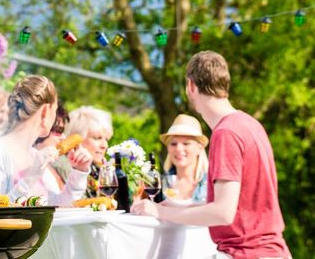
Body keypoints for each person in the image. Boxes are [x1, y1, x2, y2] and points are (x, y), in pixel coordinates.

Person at [131, 51, 291, 259]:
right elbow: (239, 206)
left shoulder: (226, 133)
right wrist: (179, 206)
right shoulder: (250, 124)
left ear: (191, 86)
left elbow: (222, 213)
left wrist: (160, 212)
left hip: (247, 253)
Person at [0, 75, 92, 205]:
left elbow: (56, 207)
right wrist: (31, 178)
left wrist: (79, 172)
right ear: (46, 111)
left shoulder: (35, 155)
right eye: (55, 110)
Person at [53, 106, 113, 198]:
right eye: (97, 138)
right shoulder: (64, 166)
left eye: (106, 139)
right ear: (76, 139)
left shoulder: (96, 169)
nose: (104, 145)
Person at [159, 114, 209, 203]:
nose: (178, 149)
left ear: (199, 148)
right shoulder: (160, 184)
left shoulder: (212, 184)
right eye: (173, 144)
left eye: (186, 144)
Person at [33, 100, 70, 194]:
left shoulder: (50, 165)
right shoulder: (27, 164)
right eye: (58, 131)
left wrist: (80, 172)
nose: (63, 137)